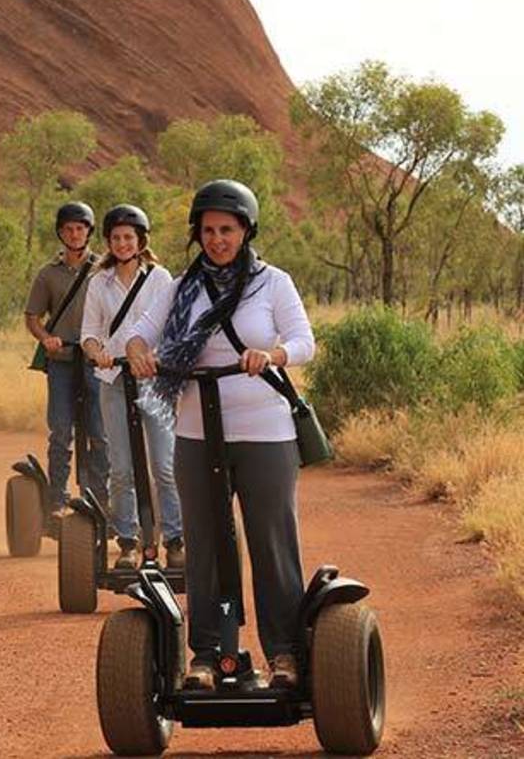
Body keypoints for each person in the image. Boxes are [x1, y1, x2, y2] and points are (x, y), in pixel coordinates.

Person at [125, 179, 315, 692]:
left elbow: (303, 341)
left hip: (264, 432)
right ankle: (211, 653)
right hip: (196, 432)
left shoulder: (272, 283)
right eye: (208, 230)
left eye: (227, 230)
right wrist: (141, 347)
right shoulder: (179, 284)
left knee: (271, 542)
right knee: (207, 545)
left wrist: (271, 355)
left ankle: (284, 653)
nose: (217, 239)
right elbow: (140, 328)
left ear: (246, 230)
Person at [81, 204, 185, 570]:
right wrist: (98, 355)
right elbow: (89, 334)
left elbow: (173, 328)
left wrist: (157, 356)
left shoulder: (160, 278)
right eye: (116, 238)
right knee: (121, 468)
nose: (123, 243)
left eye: (129, 237)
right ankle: (127, 542)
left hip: (153, 382)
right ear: (108, 242)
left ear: (141, 240)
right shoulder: (98, 282)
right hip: (112, 380)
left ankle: (175, 540)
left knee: (165, 464)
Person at [25, 202, 109, 519]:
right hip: (61, 360)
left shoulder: (105, 270)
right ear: (61, 233)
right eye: (69, 229)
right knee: (61, 431)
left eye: (80, 228)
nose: (75, 234)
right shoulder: (48, 274)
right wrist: (45, 337)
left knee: (100, 434)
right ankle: (57, 503)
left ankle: (100, 501)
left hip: (96, 362)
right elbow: (33, 317)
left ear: (89, 231)